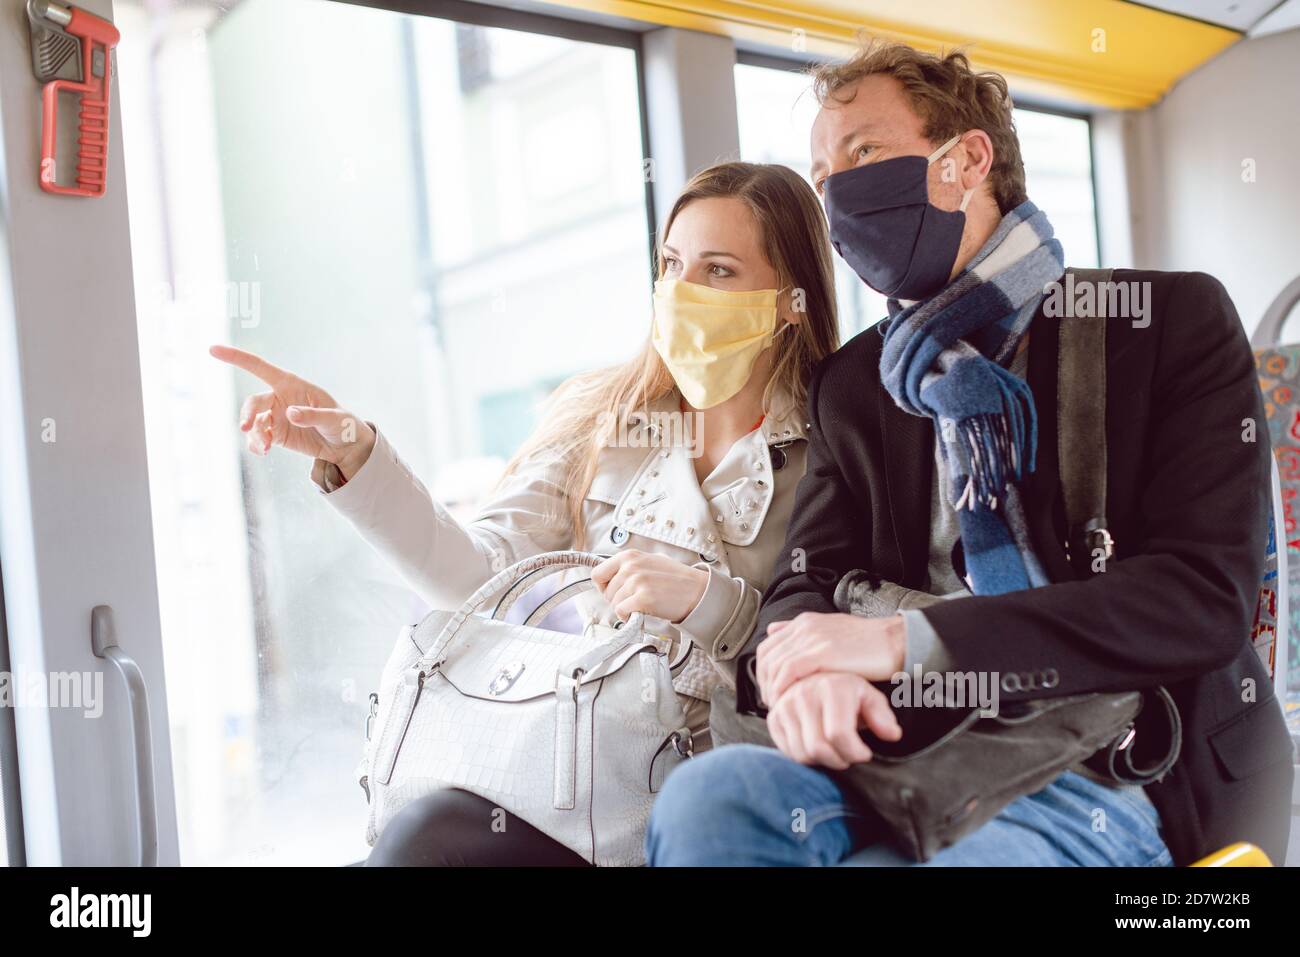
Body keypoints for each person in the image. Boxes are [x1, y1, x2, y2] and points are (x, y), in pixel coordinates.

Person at [646, 40, 1295, 867]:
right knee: (708, 798)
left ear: (968, 159)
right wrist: (807, 672)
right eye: (821, 173)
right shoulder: (856, 383)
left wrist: (899, 641)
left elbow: (1199, 597)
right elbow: (805, 580)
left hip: (1108, 768)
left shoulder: (1164, 326)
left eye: (863, 153)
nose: (837, 192)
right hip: (896, 746)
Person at [212, 161, 840, 865]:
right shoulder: (604, 423)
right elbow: (472, 576)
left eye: (719, 271)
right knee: (420, 835)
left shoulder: (839, 451)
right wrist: (358, 453)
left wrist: (707, 602)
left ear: (792, 300)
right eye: (671, 263)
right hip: (577, 777)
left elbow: (844, 651)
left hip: (714, 806)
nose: (684, 292)